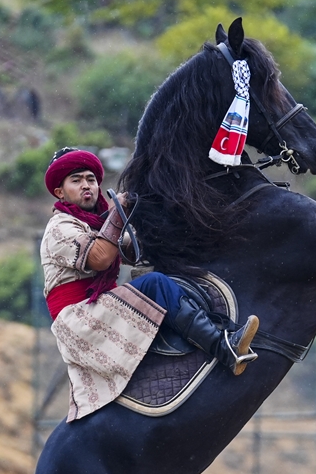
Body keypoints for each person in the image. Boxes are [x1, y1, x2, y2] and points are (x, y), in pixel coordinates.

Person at [40, 147, 259, 422]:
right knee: (155, 284)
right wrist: (117, 215)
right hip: (79, 321)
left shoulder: (97, 224)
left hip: (97, 310)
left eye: (91, 179)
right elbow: (99, 258)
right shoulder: (60, 227)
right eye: (76, 180)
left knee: (163, 276)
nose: (87, 185)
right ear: (60, 192)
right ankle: (225, 349)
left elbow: (136, 252)